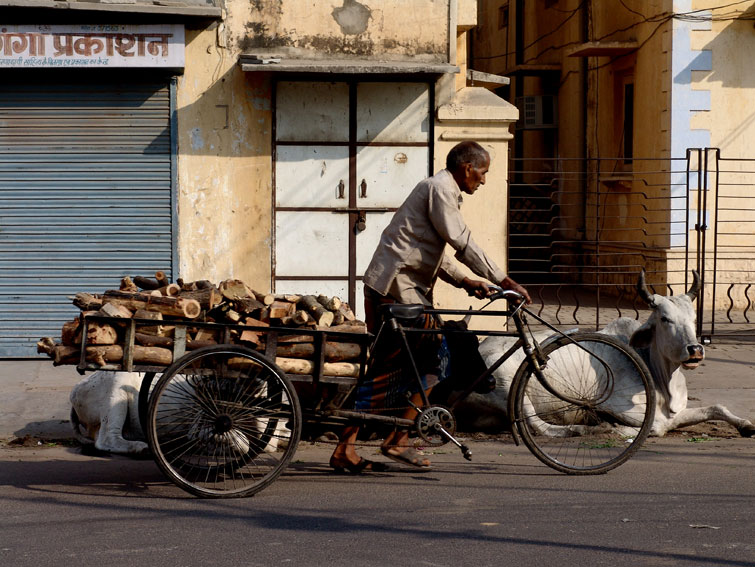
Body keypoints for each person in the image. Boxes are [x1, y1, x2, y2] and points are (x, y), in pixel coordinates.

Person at [328, 141, 531, 473]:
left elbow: (427, 250)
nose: (482, 181)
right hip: (395, 292)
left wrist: (466, 282)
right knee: (410, 364)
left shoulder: (438, 191)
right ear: (467, 168)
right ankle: (386, 442)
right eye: (482, 173)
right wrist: (504, 281)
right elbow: (460, 240)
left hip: (400, 291)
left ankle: (379, 442)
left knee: (420, 365)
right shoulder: (439, 189)